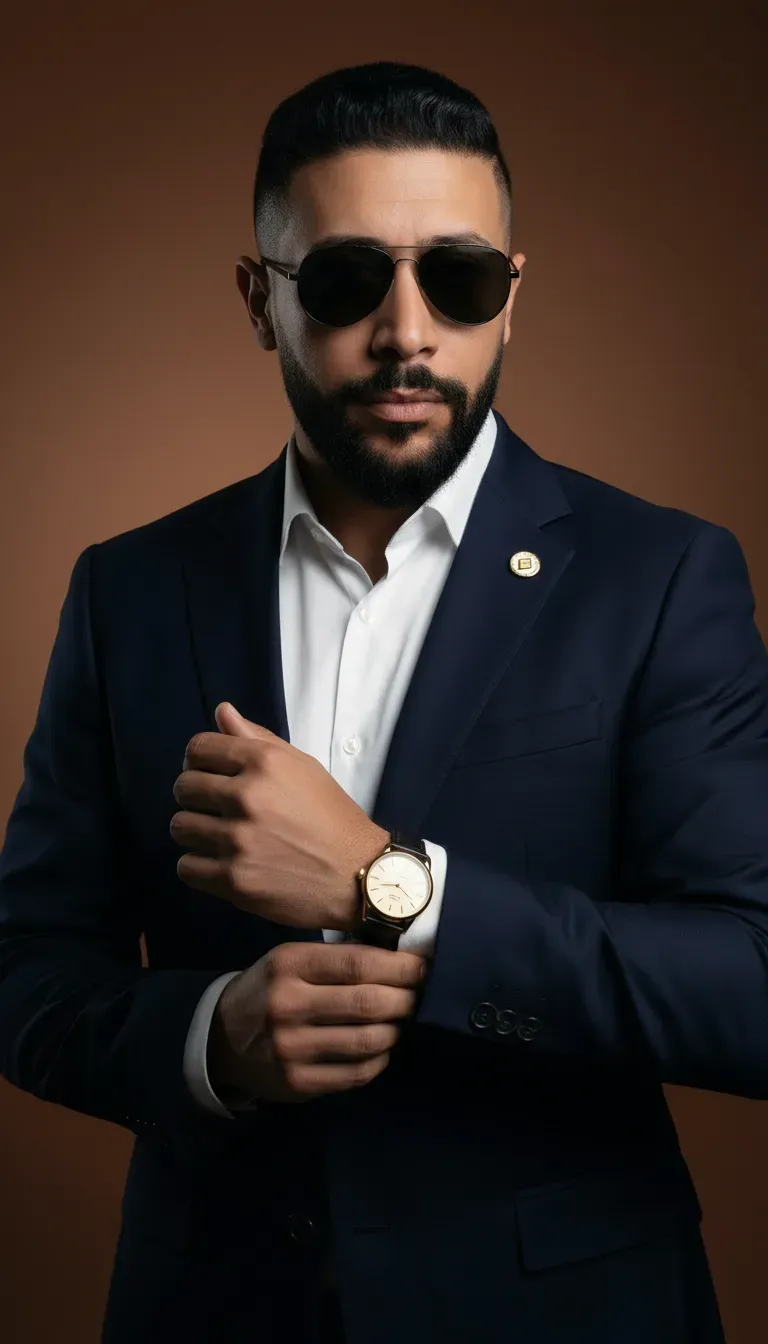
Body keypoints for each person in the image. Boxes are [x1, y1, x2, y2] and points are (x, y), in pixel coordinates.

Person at [0, 56, 763, 1344]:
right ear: (261, 298)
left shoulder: (664, 576)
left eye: (459, 279)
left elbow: (749, 986)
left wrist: (389, 885)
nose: (409, 332)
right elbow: (27, 971)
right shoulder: (129, 589)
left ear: (512, 300)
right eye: (350, 279)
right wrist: (206, 1043)